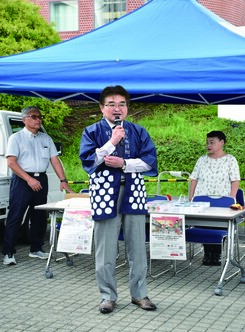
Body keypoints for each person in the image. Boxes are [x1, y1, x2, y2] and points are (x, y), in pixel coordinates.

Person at [79, 85, 158, 313]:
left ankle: (140, 294)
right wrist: (111, 143)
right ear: (102, 107)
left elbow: (149, 162)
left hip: (134, 192)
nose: (117, 108)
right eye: (111, 104)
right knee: (105, 249)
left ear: (127, 107)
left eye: (122, 104)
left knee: (137, 247)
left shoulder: (139, 131)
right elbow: (89, 163)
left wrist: (124, 164)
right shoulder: (92, 131)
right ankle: (107, 295)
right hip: (105, 194)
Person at [2, 106, 73, 266]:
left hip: (41, 179)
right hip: (22, 180)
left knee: (40, 216)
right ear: (24, 119)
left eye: (40, 117)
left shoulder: (46, 139)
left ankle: (36, 249)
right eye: (34, 116)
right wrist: (29, 179)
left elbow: (54, 160)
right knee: (16, 216)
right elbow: (11, 163)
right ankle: (8, 252)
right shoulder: (16, 138)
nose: (38, 119)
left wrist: (63, 180)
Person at [189, 130, 240, 265]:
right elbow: (194, 178)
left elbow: (235, 180)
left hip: (222, 200)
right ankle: (207, 253)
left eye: (212, 142)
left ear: (222, 142)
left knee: (218, 226)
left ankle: (217, 254)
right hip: (203, 199)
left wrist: (231, 198)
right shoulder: (202, 160)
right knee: (204, 225)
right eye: (207, 142)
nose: (208, 145)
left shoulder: (230, 160)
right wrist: (191, 196)